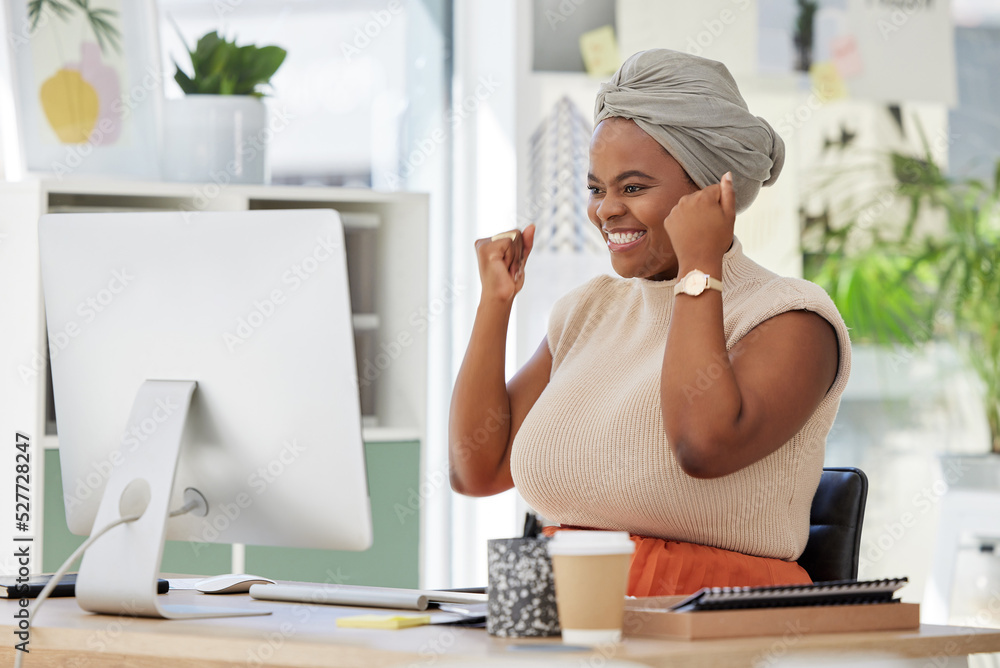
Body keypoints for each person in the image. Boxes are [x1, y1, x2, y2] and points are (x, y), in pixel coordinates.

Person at [448, 49, 851, 596]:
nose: (605, 210)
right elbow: (477, 470)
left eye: (632, 188)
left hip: (715, 621)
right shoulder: (587, 310)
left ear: (714, 193)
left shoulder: (789, 317)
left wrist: (700, 267)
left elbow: (702, 445)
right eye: (596, 189)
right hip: (563, 606)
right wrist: (494, 305)